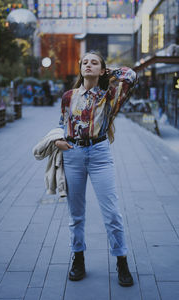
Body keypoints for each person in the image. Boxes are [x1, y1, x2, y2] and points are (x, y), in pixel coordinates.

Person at [54, 50, 137, 287]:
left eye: (94, 63)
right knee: (76, 214)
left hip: (100, 154)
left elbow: (131, 75)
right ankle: (78, 258)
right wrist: (59, 140)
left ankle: (121, 260)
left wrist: (108, 73)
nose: (88, 65)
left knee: (112, 213)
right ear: (80, 68)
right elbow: (62, 124)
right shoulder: (68, 96)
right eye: (85, 62)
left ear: (102, 69)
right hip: (73, 155)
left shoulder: (110, 95)